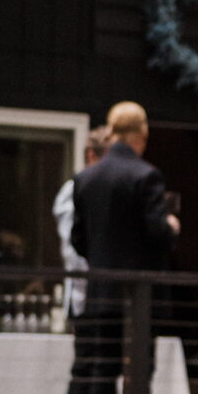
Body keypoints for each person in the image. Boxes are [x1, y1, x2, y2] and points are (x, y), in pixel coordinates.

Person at [66, 103, 178, 394]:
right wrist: (172, 227)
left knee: (100, 371)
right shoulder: (147, 177)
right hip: (138, 301)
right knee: (137, 376)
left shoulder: (86, 179)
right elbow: (156, 233)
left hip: (99, 294)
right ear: (141, 136)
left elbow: (78, 240)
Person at [54, 126, 112, 320]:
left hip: (106, 295)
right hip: (84, 298)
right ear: (91, 155)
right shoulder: (73, 191)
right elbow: (71, 250)